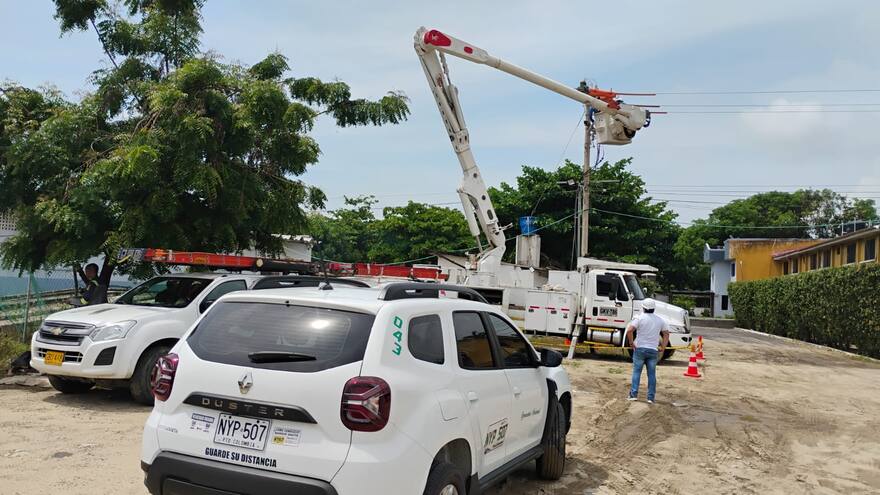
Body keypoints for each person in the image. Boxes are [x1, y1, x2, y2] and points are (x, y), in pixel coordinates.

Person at [625, 298, 669, 404]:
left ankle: (633, 395)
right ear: (654, 308)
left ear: (643, 308)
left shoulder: (639, 318)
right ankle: (650, 398)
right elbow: (666, 334)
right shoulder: (660, 320)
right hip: (653, 351)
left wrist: (631, 343)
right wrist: (663, 347)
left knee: (637, 372)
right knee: (652, 374)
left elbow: (630, 330)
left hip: (639, 349)